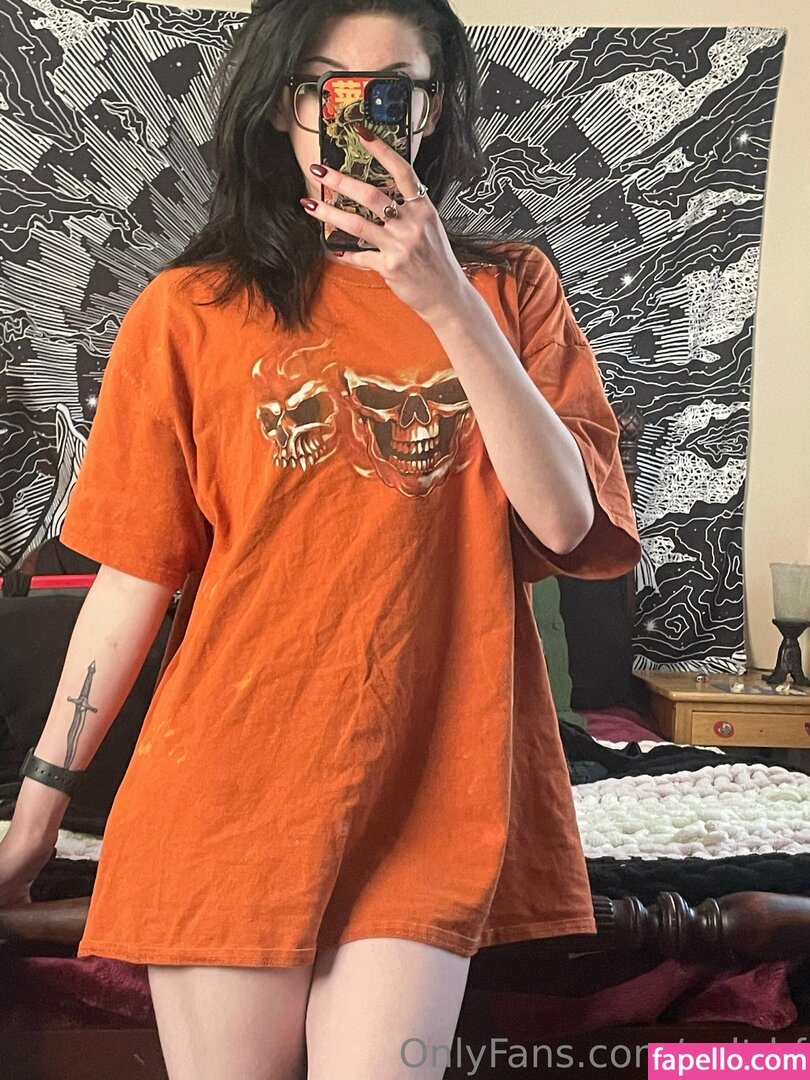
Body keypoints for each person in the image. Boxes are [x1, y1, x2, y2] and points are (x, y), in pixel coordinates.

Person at [0, 1, 641, 1077]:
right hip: (226, 784)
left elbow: (567, 524)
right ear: (281, 105)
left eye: (395, 90)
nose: (359, 116)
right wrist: (34, 818)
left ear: (433, 111)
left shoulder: (511, 288)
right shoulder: (187, 310)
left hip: (434, 786)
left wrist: (450, 307)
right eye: (328, 86)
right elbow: (131, 582)